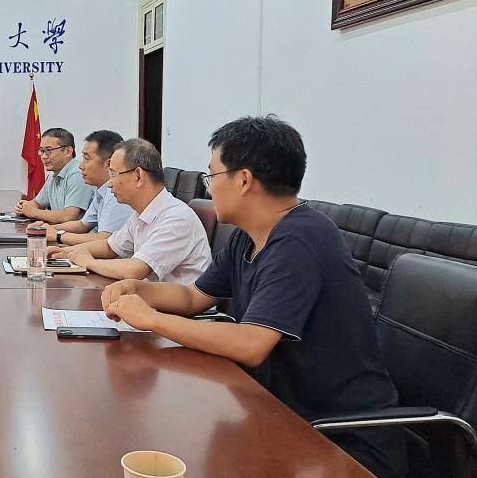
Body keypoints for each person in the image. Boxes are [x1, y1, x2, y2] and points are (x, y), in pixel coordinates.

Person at [101, 116, 405, 477]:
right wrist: (138, 289)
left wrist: (151, 319)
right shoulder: (248, 236)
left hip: (339, 440)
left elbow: (251, 344)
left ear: (243, 180)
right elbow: (193, 297)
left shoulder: (301, 240)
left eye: (212, 176)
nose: (209, 188)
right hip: (276, 410)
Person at [49, 138, 210, 282]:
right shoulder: (141, 214)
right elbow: (110, 247)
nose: (109, 183)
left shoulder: (176, 218)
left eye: (113, 174)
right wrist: (66, 252)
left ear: (138, 176)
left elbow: (134, 270)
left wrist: (89, 262)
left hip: (173, 306)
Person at [34, 130, 133, 245]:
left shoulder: (116, 193)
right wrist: (47, 229)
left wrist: (58, 236)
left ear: (108, 164)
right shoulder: (102, 191)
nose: (81, 166)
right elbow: (82, 224)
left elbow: (105, 240)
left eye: (87, 159)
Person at [14, 127, 94, 224]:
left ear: (68, 151)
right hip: (60, 230)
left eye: (48, 150)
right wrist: (25, 207)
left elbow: (68, 216)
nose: (43, 157)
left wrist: (33, 212)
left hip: (83, 233)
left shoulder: (78, 174)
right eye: (42, 151)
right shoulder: (53, 174)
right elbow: (37, 203)